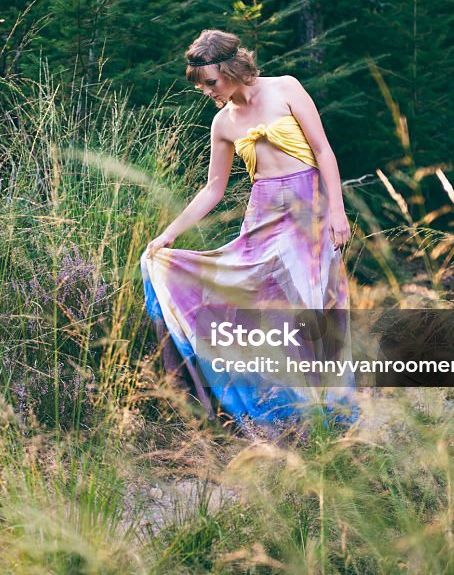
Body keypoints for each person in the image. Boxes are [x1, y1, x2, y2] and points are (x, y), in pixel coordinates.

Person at [139, 29, 358, 438]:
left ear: (233, 68)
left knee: (313, 307)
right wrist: (168, 235)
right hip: (262, 220)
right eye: (201, 84)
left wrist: (337, 212)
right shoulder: (223, 123)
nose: (206, 90)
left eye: (210, 82)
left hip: (307, 212)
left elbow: (324, 150)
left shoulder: (286, 89)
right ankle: (276, 413)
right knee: (260, 308)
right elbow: (212, 190)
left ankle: (329, 417)